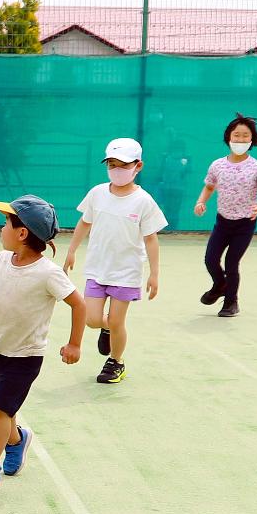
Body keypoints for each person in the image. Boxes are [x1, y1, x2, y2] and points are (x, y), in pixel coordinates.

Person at [0, 194, 84, 488]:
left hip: (26, 356)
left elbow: (79, 305)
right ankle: (18, 440)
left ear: (22, 233)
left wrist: (74, 344)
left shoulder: (48, 273)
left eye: (6, 223)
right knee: (5, 410)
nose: (1, 228)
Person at [63, 136, 164, 386]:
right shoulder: (97, 193)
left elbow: (151, 239)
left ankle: (116, 362)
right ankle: (107, 330)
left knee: (118, 320)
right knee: (91, 319)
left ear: (138, 166)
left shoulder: (144, 201)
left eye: (123, 165)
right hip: (97, 269)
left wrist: (154, 274)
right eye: (111, 165)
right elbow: (84, 222)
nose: (117, 170)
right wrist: (72, 250)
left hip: (126, 272)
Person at [192, 114, 257, 319]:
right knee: (210, 259)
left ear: (251, 140)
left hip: (245, 224)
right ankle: (220, 285)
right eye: (236, 135)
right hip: (223, 222)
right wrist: (201, 202)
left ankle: (231, 302)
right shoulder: (217, 165)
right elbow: (209, 187)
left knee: (231, 262)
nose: (240, 139)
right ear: (228, 137)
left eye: (245, 136)